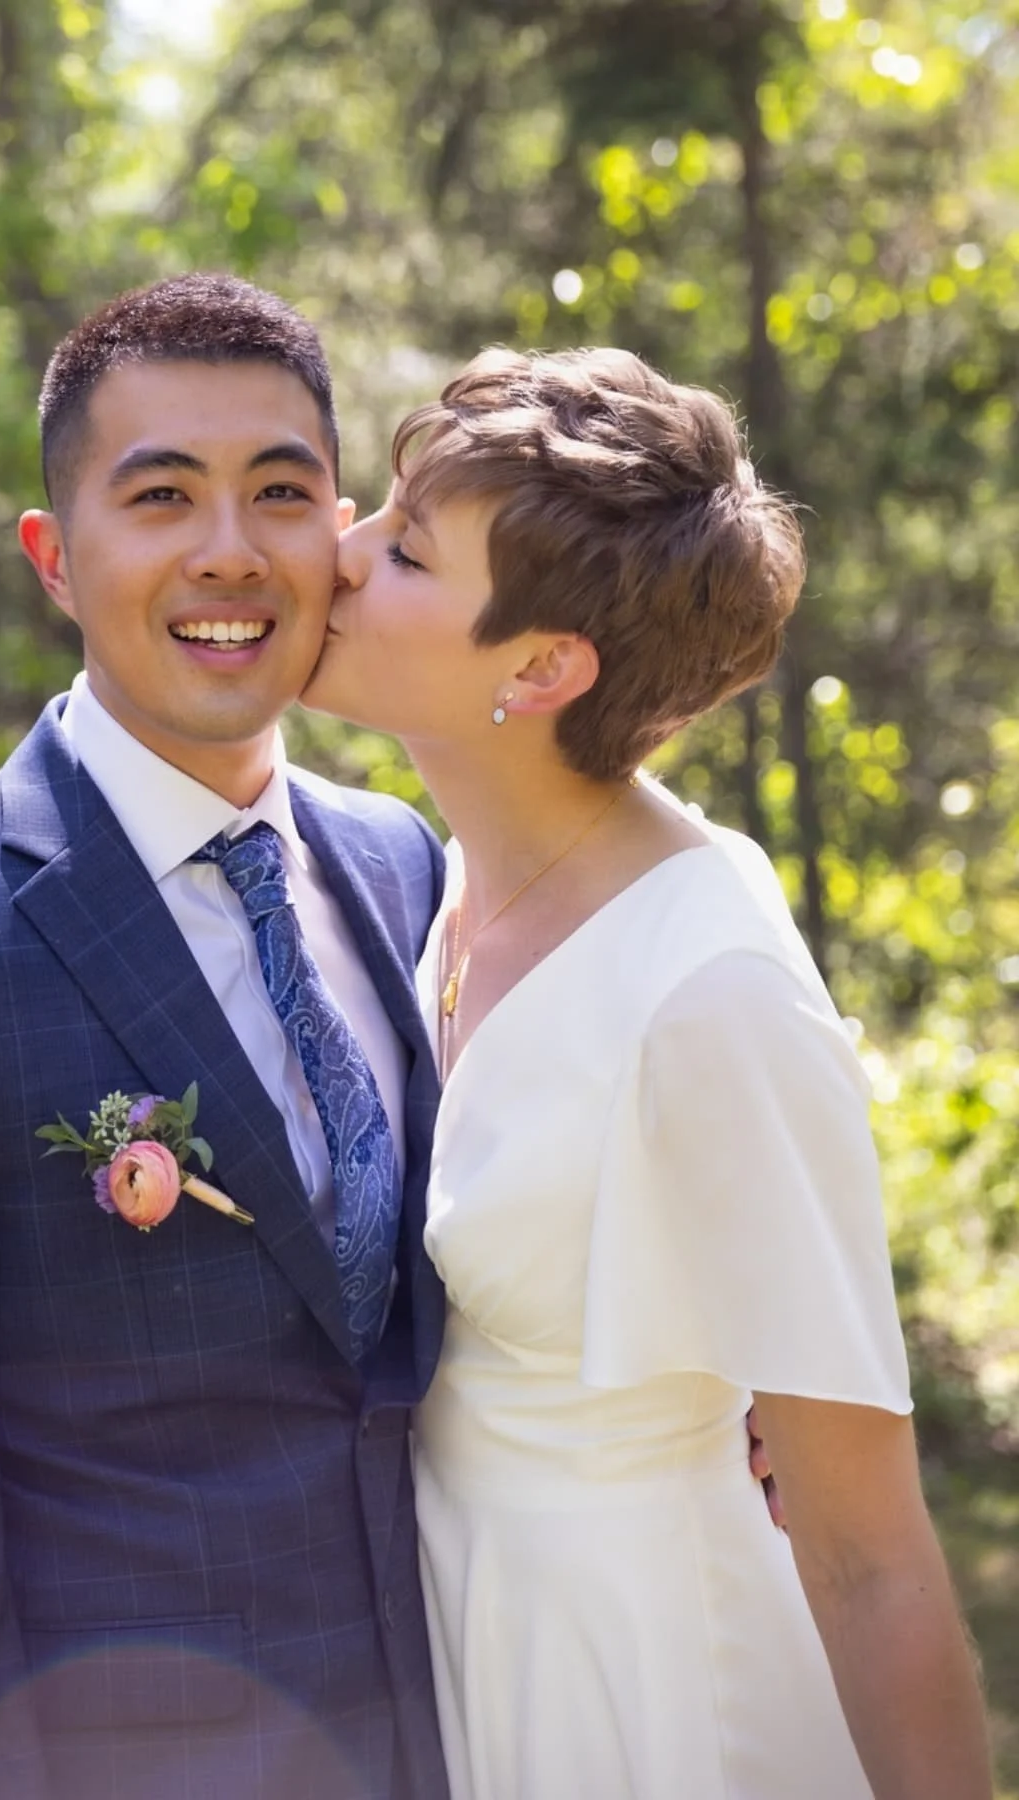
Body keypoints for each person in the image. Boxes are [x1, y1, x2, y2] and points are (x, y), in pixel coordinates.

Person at [0, 274, 451, 1800]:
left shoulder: (409, 868)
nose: (230, 551)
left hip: (445, 1728)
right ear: (57, 560)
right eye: (162, 496)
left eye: (280, 491)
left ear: (341, 531)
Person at [303, 345, 992, 1800]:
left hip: (652, 1695)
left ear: (544, 667)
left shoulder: (707, 994)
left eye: (406, 551)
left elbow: (869, 1550)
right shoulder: (433, 890)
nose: (340, 555)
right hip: (464, 1654)